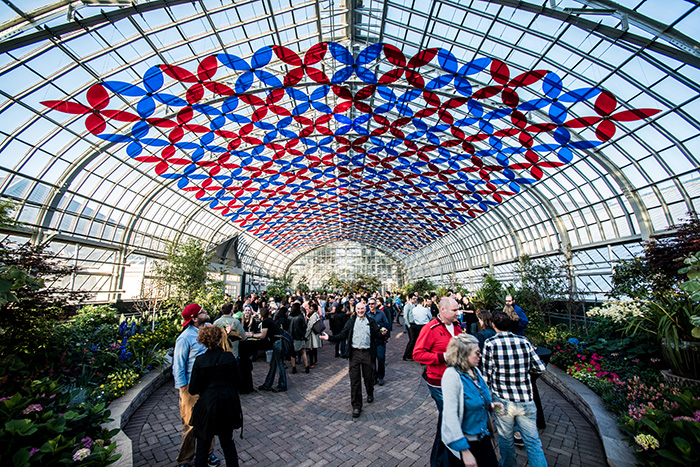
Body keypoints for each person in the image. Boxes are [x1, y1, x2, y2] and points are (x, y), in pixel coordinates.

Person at [482, 311, 547, 467]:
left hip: (501, 401)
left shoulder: (490, 344)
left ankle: (508, 464)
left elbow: (486, 376)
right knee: (532, 440)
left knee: (505, 437)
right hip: (526, 399)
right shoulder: (524, 341)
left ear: (493, 325)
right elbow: (540, 368)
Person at [413, 297, 463, 467]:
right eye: (455, 310)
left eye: (458, 310)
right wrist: (442, 357)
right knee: (449, 419)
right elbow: (418, 354)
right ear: (442, 310)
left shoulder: (457, 327)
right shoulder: (430, 329)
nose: (458, 313)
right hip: (438, 382)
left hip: (455, 380)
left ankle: (446, 458)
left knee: (449, 419)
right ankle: (440, 460)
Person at [441, 333, 501, 467]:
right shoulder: (452, 376)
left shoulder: (475, 371)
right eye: (477, 353)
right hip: (466, 442)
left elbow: (478, 398)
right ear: (463, 354)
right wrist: (464, 450)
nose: (480, 356)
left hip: (482, 436)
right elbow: (450, 415)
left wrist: (490, 406)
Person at [173, 304, 221, 467]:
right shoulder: (185, 338)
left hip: (209, 385)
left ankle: (208, 452)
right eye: (202, 312)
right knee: (190, 423)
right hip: (191, 386)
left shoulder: (208, 328)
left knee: (209, 419)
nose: (206, 312)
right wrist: (182, 389)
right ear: (193, 318)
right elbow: (178, 364)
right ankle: (185, 458)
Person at [319, 302, 387, 418]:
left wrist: (383, 333)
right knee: (355, 380)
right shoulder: (351, 322)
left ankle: (370, 392)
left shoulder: (371, 322)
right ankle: (356, 406)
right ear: (355, 310)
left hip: (367, 353)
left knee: (368, 377)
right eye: (358, 309)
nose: (360, 311)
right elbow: (342, 335)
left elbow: (377, 335)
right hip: (354, 354)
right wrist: (329, 338)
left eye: (362, 309)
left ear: (365, 309)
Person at [188, 325, 242, 467]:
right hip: (226, 404)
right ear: (219, 339)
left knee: (203, 445)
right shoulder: (228, 357)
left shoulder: (200, 360)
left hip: (207, 404)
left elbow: (193, 389)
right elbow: (238, 381)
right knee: (227, 443)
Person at [248, 307, 287, 392]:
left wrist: (251, 335)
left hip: (277, 343)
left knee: (279, 364)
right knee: (274, 364)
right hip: (278, 342)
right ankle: (268, 384)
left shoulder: (266, 322)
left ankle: (282, 384)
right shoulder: (269, 320)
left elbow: (262, 335)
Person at [367, 297, 390, 386]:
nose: (371, 305)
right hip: (371, 341)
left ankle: (380, 376)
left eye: (373, 304)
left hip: (380, 340)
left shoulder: (381, 314)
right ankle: (374, 377)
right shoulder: (367, 314)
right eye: (370, 304)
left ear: (376, 304)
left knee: (380, 358)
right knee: (371, 360)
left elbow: (387, 324)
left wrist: (380, 325)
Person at [289, 302, 310, 374]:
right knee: (303, 351)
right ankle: (307, 366)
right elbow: (304, 326)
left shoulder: (289, 317)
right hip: (300, 336)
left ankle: (293, 368)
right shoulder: (300, 317)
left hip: (292, 337)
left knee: (293, 353)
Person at [305, 302, 323, 368]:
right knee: (314, 349)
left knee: (311, 349)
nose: (309, 310)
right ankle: (315, 361)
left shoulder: (313, 316)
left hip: (312, 335)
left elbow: (310, 327)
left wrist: (306, 336)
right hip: (315, 334)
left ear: (314, 310)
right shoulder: (315, 315)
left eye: (311, 309)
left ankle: (311, 363)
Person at [402, 294, 418, 361]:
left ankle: (411, 354)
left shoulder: (414, 305)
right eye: (413, 298)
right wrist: (408, 325)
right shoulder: (407, 306)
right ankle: (406, 355)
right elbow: (405, 316)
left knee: (414, 340)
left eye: (415, 298)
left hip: (414, 324)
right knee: (412, 340)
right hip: (410, 324)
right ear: (410, 299)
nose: (414, 300)